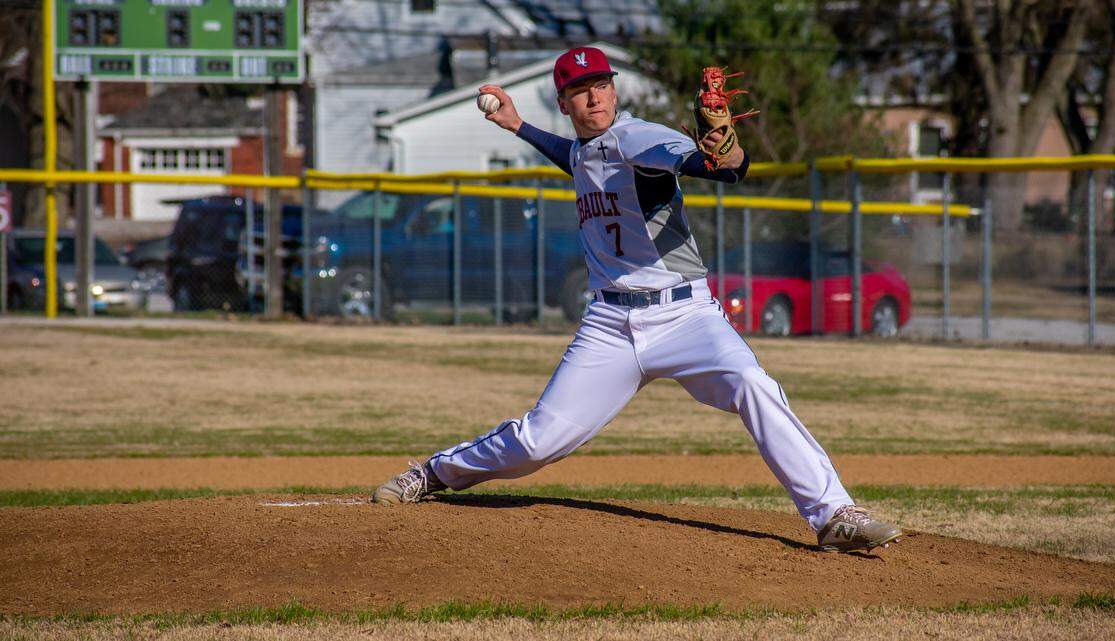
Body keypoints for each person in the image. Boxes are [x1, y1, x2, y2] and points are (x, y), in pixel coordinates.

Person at [372, 47, 903, 553]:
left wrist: (725, 146)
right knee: (540, 441)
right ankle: (435, 472)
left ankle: (833, 514)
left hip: (686, 316)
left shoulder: (642, 138)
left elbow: (725, 168)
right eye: (581, 90)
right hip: (608, 324)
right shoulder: (583, 148)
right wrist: (516, 126)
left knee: (751, 383)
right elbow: (576, 156)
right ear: (564, 103)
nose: (595, 98)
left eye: (601, 85)